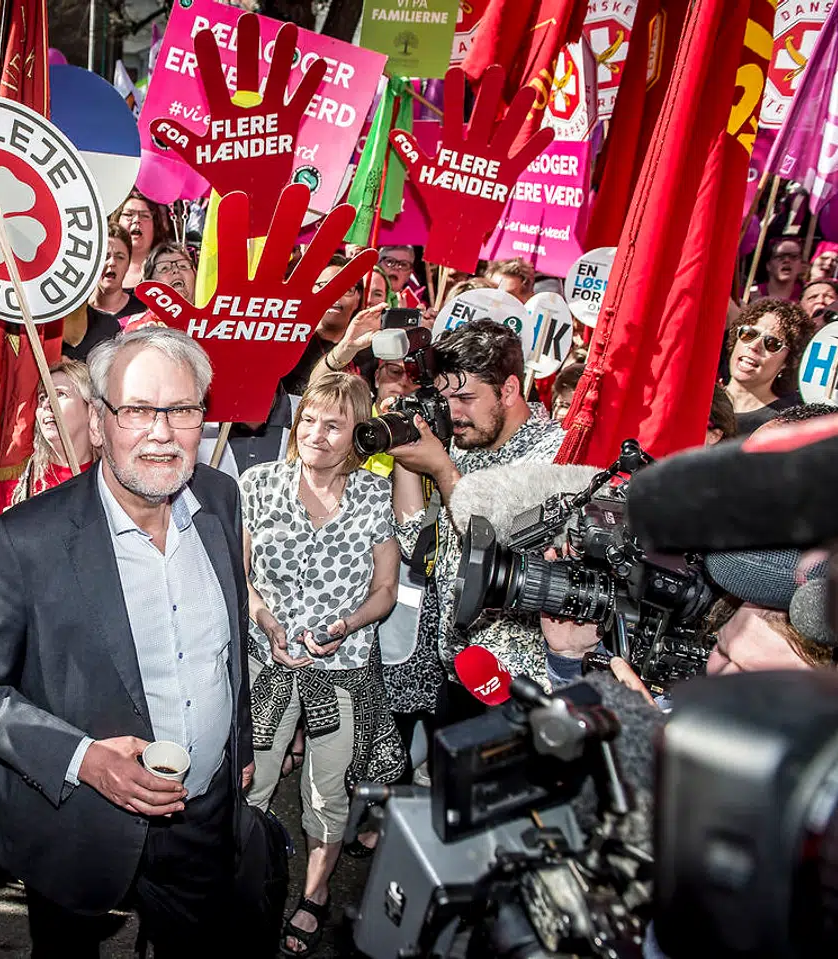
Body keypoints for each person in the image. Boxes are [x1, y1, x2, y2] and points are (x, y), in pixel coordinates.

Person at [0, 326, 257, 956]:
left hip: (205, 812)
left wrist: (238, 741)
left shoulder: (221, 500)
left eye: (182, 409)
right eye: (138, 410)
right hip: (79, 820)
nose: (162, 433)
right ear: (101, 417)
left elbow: (228, 648)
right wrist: (82, 758)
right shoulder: (26, 539)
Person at [241, 373, 404, 957]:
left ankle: (313, 896)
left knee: (326, 794)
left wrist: (346, 626)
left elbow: (386, 589)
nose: (315, 433)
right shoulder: (258, 484)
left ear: (357, 433)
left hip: (342, 670)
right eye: (308, 419)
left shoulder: (373, 496)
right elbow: (243, 578)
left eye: (332, 424)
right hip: (270, 664)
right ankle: (247, 883)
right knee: (252, 781)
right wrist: (266, 622)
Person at [388, 319, 567, 703]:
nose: (453, 413)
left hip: (522, 682)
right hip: (458, 668)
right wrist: (404, 452)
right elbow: (414, 539)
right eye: (445, 399)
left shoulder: (554, 452)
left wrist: (441, 469)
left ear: (509, 390)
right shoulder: (458, 444)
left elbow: (500, 539)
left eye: (466, 398)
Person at [0, 357, 99, 534]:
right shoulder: (21, 471)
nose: (46, 404)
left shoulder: (107, 476)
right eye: (42, 397)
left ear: (91, 410)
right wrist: (8, 527)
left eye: (60, 394)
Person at [279, 255, 374, 398]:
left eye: (346, 289)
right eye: (323, 286)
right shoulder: (289, 341)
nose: (335, 295)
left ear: (358, 297)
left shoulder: (370, 349)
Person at [723, 298, 815, 436]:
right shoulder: (701, 396)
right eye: (749, 333)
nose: (754, 346)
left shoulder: (788, 423)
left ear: (789, 361)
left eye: (772, 343)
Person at [68, 225, 142, 362]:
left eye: (120, 257)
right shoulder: (72, 312)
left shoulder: (143, 310)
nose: (112, 262)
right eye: (105, 256)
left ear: (128, 265)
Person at [113, 190, 175, 288]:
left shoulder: (170, 269)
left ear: (155, 226)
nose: (136, 220)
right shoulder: (100, 268)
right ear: (117, 221)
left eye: (145, 216)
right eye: (129, 214)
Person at [755, 237, 805, 302]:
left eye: (794, 256)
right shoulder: (748, 294)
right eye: (780, 256)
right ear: (768, 265)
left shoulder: (808, 294)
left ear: (800, 265)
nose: (787, 260)